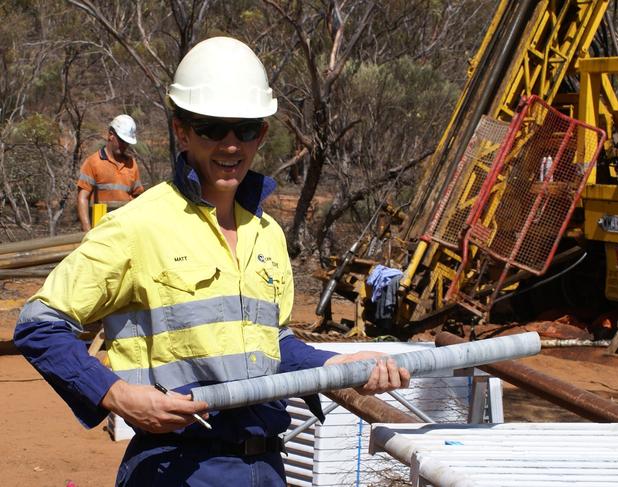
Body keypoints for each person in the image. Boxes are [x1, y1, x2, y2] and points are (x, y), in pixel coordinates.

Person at [14, 36, 409, 487]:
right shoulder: (138, 225)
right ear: (182, 131)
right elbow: (38, 324)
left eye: (244, 129)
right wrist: (116, 395)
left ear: (261, 133)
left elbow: (269, 346)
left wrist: (331, 366)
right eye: (210, 128)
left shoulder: (268, 235)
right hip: (177, 467)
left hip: (266, 467)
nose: (229, 144)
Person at [76, 114, 144, 232]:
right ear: (111, 135)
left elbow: (138, 197)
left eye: (127, 142)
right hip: (100, 228)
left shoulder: (132, 164)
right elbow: (83, 197)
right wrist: (87, 229)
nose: (124, 145)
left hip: (124, 228)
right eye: (122, 141)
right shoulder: (93, 162)